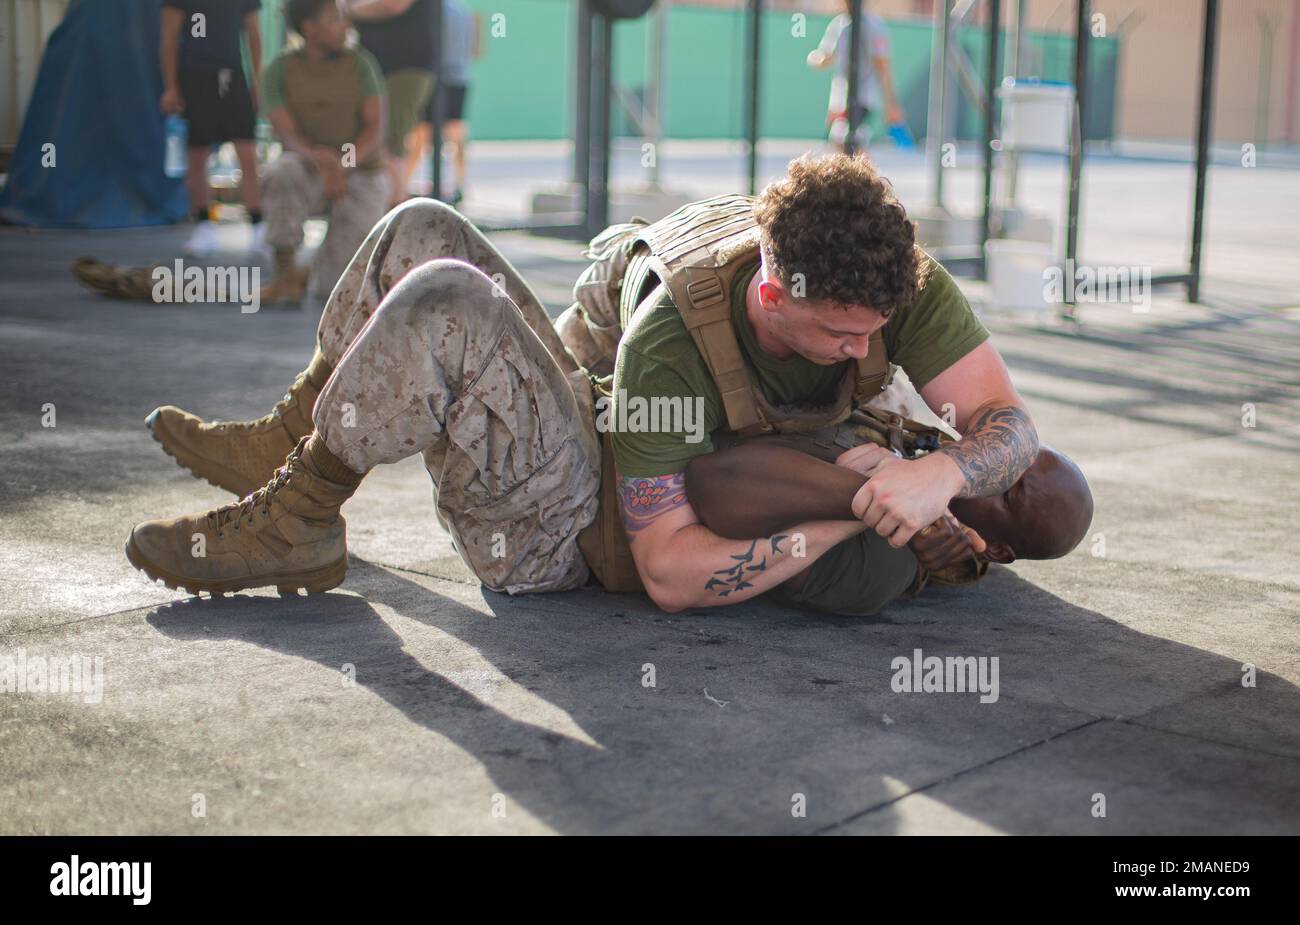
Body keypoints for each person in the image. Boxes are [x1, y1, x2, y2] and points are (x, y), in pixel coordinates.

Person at [126, 153, 1074, 618]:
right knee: (420, 224)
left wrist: (927, 478)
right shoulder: (680, 330)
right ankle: (301, 444)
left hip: (555, 542)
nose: (867, 349)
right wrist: (885, 488)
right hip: (593, 454)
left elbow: (664, 568)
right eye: (841, 333)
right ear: (775, 287)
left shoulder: (885, 281)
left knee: (448, 299)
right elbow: (690, 535)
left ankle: (302, 512)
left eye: (876, 330)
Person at [257, 0, 388, 305]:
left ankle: (312, 275)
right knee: (281, 171)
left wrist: (342, 165)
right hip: (310, 170)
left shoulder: (362, 64)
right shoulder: (279, 70)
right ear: (309, 28)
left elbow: (375, 129)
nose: (346, 25)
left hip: (361, 175)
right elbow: (286, 134)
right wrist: (318, 159)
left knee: (334, 291)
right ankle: (286, 273)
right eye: (334, 18)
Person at [159, 0, 264, 256]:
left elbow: (254, 33)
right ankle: (204, 225)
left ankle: (259, 226)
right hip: (195, 76)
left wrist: (257, 80)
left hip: (233, 76)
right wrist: (171, 87)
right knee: (197, 154)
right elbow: (169, 38)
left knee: (248, 153)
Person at [345, 0, 437, 207]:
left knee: (386, 140)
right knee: (380, 139)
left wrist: (346, 10)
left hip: (403, 66)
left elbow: (395, 4)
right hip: (381, 67)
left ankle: (394, 214)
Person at [403, 0, 482, 205]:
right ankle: (459, 185)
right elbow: (477, 49)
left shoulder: (429, 10)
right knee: (455, 133)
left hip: (436, 79)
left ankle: (403, 184)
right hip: (458, 78)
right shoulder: (466, 12)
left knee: (421, 134)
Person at [807, 1, 904, 152]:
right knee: (841, 143)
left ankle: (864, 174)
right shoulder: (838, 24)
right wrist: (816, 59)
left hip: (863, 97)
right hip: (840, 98)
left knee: (845, 139)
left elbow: (883, 65)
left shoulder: (873, 26)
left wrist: (890, 103)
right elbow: (825, 56)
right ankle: (857, 172)